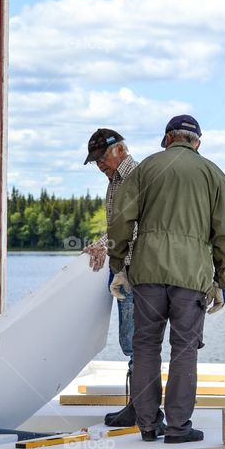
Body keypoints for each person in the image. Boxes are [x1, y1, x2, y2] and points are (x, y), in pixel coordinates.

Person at [106, 115, 225, 443]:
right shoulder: (215, 175)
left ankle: (148, 426)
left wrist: (118, 264)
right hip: (190, 277)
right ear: (198, 143)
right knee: (184, 350)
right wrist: (221, 280)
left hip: (147, 274)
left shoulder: (145, 169)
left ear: (167, 138)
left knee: (146, 346)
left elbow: (122, 220)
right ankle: (179, 428)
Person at [80, 128, 142, 427]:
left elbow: (136, 226)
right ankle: (140, 407)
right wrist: (101, 245)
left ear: (119, 150)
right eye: (96, 161)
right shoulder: (115, 180)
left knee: (136, 342)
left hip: (134, 272)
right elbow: (119, 226)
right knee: (134, 342)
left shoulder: (135, 177)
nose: (99, 165)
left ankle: (140, 409)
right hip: (123, 269)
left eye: (102, 158)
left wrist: (103, 246)